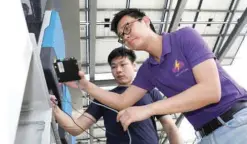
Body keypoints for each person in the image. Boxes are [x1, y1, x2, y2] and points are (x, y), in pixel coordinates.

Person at [66, 8, 247, 144]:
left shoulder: (184, 37)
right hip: (206, 135)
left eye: (127, 27)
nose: (126, 36)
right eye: (122, 36)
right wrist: (86, 86)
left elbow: (210, 91)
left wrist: (147, 109)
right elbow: (122, 101)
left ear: (145, 21)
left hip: (237, 123)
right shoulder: (149, 70)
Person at [51, 47, 183, 144]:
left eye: (123, 64)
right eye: (113, 67)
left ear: (134, 66)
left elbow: (170, 127)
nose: (118, 70)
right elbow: (76, 128)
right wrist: (54, 108)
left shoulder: (150, 91)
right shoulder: (103, 97)